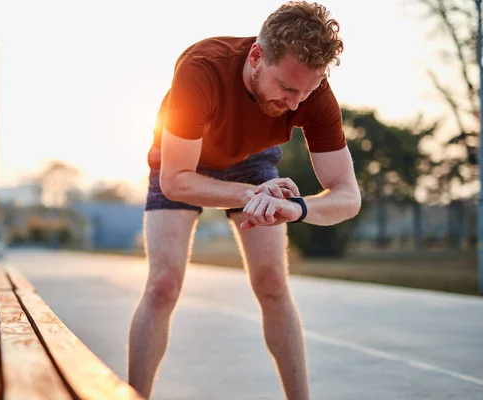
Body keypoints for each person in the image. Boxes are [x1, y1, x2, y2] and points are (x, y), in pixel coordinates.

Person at [127, 2, 361, 399]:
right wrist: (253, 195)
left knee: (272, 282)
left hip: (253, 160)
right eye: (287, 88)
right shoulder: (202, 69)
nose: (294, 105)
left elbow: (347, 197)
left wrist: (297, 208)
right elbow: (176, 180)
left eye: (307, 91)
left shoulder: (311, 95)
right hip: (185, 159)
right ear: (256, 57)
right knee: (164, 284)